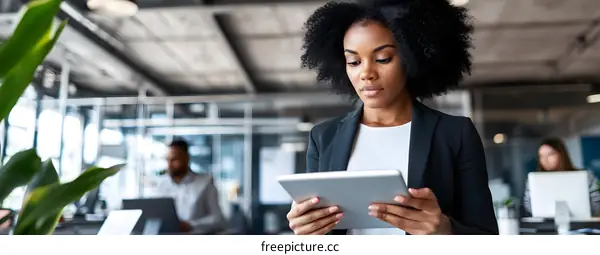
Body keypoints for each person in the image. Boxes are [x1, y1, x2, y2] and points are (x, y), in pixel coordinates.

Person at [286, 0, 498, 235]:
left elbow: (486, 235)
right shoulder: (323, 137)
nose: (366, 73)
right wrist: (307, 232)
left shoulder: (455, 134)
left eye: (383, 58)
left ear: (412, 58)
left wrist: (444, 230)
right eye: (354, 62)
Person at [155, 139, 227, 234]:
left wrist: (191, 225)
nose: (169, 165)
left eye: (174, 159)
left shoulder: (205, 183)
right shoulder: (161, 184)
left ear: (187, 158)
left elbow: (218, 219)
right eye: (167, 159)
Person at [522, 138, 600, 217]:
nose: (545, 159)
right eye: (541, 156)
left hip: (581, 224)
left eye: (550, 154)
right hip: (546, 224)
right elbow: (529, 206)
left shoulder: (585, 176)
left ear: (561, 155)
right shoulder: (534, 180)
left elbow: (596, 203)